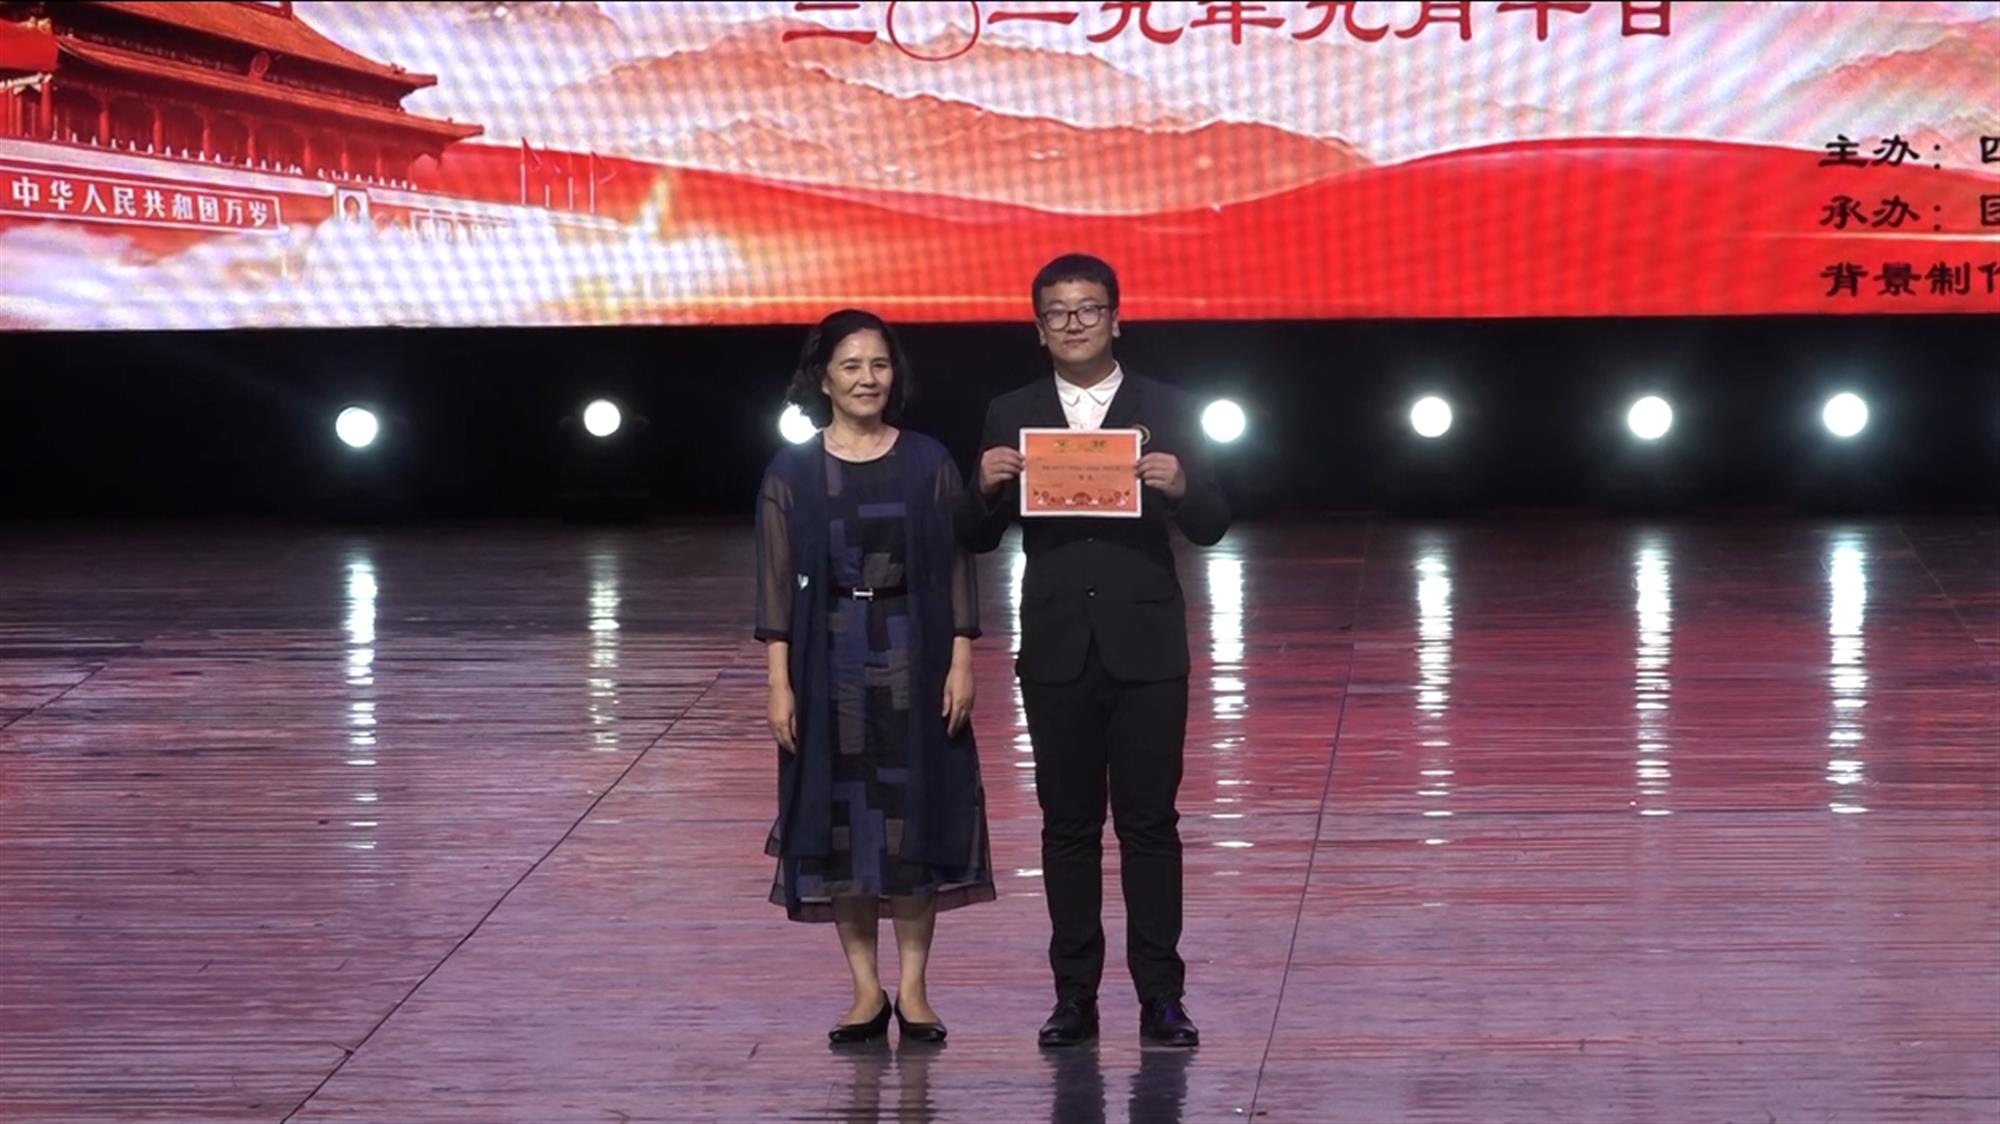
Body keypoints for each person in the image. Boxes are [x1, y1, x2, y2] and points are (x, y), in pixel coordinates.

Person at [956, 254, 1229, 1048]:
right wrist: (983, 486)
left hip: (1147, 648)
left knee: (1150, 826)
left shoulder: (1167, 407)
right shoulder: (1012, 411)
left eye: (1088, 309)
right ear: (1037, 327)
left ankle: (1162, 998)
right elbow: (973, 536)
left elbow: (1213, 523)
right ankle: (1073, 997)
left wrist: (1182, 485)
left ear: (1116, 318)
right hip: (1056, 647)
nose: (1074, 323)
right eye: (1058, 312)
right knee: (1067, 828)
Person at [755, 308, 995, 1045]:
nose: (868, 379)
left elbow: (957, 565)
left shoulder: (927, 460)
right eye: (852, 365)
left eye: (880, 365)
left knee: (912, 813)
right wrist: (778, 682)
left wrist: (961, 658)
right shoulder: (793, 471)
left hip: (913, 648)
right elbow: (774, 587)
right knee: (842, 818)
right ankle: (865, 991)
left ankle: (914, 991)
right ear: (823, 378)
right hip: (825, 656)